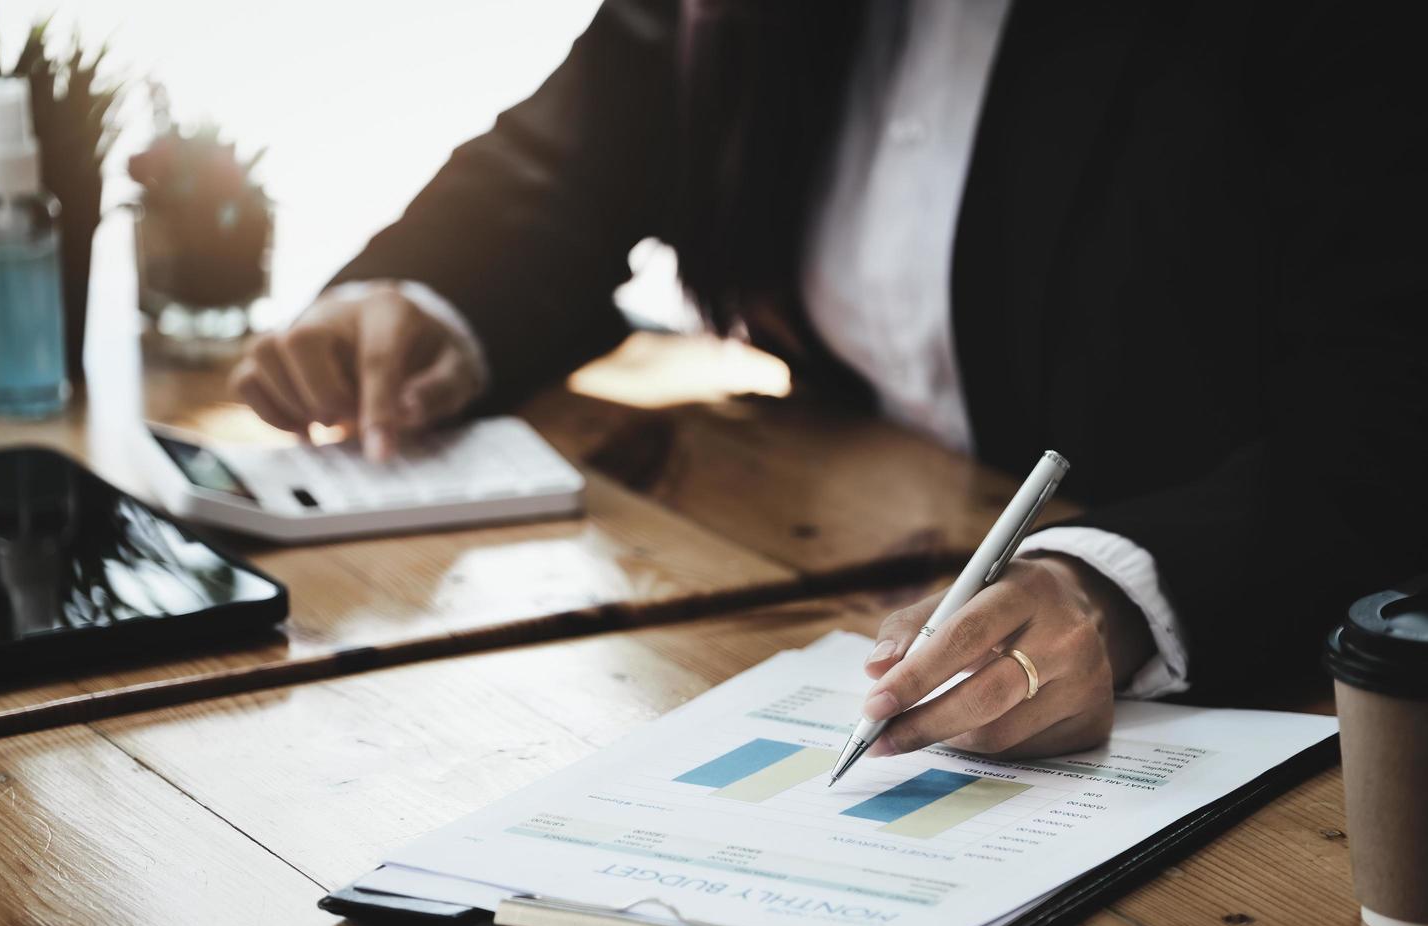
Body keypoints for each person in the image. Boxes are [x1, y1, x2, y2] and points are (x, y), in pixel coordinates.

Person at [230, 0, 1428, 759]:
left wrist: (1113, 586)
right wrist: (418, 299)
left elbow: (1388, 416)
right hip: (822, 564)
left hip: (1274, 680)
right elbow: (570, 166)